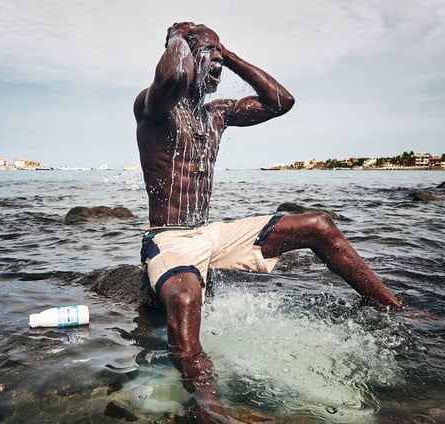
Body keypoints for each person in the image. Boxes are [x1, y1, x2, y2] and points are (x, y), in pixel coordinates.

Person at [133, 22, 402, 422]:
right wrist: (179, 38)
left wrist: (227, 53)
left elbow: (281, 101)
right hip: (170, 237)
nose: (218, 69)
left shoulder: (216, 115)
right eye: (210, 59)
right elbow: (172, 76)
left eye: (221, 63)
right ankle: (210, 409)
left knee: (318, 225)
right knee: (187, 299)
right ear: (187, 56)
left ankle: (395, 309)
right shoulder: (153, 108)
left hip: (212, 233)